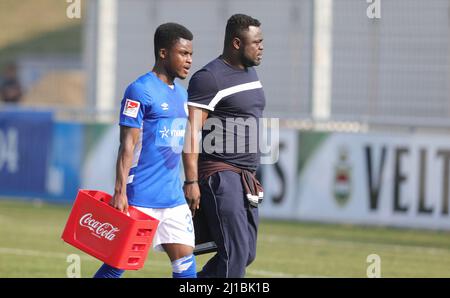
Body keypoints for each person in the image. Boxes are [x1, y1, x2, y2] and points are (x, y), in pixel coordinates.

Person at [94, 22, 196, 278]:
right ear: (163, 53)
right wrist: (120, 192)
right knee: (117, 266)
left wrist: (191, 182)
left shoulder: (183, 96)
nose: (189, 60)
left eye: (191, 54)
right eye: (183, 53)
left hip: (172, 198)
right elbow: (126, 144)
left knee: (185, 267)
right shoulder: (139, 90)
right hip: (140, 197)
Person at [183, 14, 265, 278]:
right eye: (256, 42)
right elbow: (191, 132)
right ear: (237, 43)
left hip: (246, 178)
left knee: (246, 253)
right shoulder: (209, 78)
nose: (261, 47)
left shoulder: (251, 72)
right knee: (235, 254)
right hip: (220, 175)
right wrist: (191, 181)